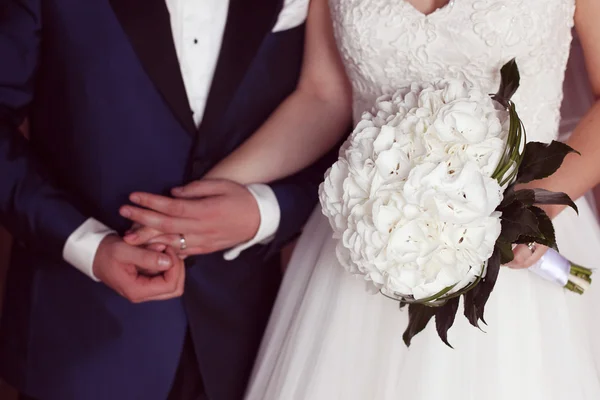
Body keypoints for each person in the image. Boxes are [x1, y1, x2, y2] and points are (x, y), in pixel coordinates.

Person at [122, 0, 600, 398]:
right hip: (368, 247)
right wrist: (193, 202)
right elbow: (322, 99)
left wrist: (539, 207)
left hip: (524, 252)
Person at [0, 1, 335, 399]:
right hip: (82, 338)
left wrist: (265, 212)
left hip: (248, 346)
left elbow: (340, 124)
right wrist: (84, 243)